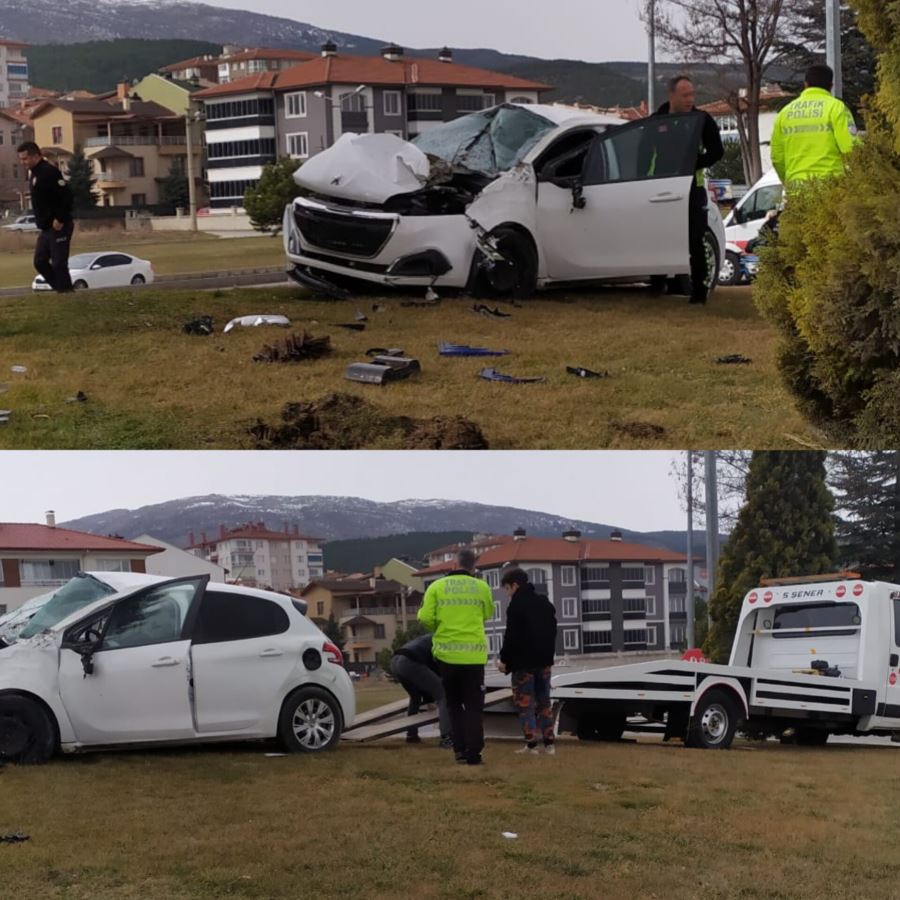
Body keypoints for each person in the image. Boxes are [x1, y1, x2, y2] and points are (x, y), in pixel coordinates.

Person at [646, 76, 724, 305]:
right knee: (659, 237)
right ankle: (657, 284)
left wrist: (696, 162)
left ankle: (698, 292)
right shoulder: (656, 120)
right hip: (659, 188)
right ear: (672, 96)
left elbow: (717, 151)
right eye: (685, 95)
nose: (691, 99)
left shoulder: (701, 119)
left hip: (692, 187)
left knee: (695, 239)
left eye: (692, 94)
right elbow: (642, 153)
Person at [417, 548, 494, 766]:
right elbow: (487, 613)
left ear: (454, 564)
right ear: (473, 567)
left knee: (454, 705)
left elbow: (425, 618)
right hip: (474, 657)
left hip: (447, 656)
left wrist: (441, 627)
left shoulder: (437, 587)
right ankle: (474, 753)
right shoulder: (482, 587)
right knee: (474, 707)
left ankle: (459, 750)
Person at [497, 568, 558, 756]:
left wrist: (504, 660)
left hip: (523, 664)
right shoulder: (545, 603)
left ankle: (531, 745)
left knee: (525, 704)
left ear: (515, 585)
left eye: (507, 589)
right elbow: (553, 632)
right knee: (544, 702)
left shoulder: (516, 606)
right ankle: (549, 744)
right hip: (544, 662)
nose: (508, 593)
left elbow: (512, 637)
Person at [771, 63, 858, 187]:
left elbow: (777, 158)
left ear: (806, 84)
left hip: (797, 191)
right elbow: (852, 149)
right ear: (831, 86)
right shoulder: (836, 108)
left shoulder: (784, 113)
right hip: (831, 190)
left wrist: (788, 182)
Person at [16, 141, 74, 293]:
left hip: (59, 225)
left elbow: (66, 196)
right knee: (40, 261)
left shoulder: (50, 172)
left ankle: (66, 293)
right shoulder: (34, 173)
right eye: (21, 159)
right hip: (45, 228)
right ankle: (61, 289)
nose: (23, 163)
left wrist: (60, 218)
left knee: (59, 263)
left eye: (25, 159)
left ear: (35, 156)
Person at [390, 633, 453, 748]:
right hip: (409, 661)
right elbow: (438, 669)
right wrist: (431, 699)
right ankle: (446, 737)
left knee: (415, 697)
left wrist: (429, 698)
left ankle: (411, 735)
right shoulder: (446, 641)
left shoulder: (432, 637)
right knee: (443, 694)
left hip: (396, 661)